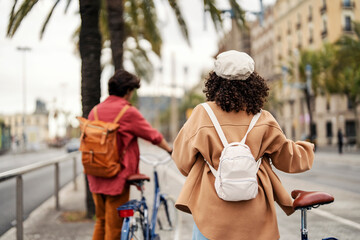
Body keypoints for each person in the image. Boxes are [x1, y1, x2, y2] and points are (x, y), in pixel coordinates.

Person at [172, 50, 315, 240]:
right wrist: (308, 148)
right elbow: (289, 160)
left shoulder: (202, 114)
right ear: (254, 82)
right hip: (255, 211)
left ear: (215, 81)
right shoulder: (263, 118)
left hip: (211, 213)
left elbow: (182, 161)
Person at [87, 69, 172, 240]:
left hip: (95, 173)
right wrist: (170, 150)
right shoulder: (127, 112)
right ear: (127, 91)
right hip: (116, 176)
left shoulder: (94, 111)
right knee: (115, 227)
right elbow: (153, 135)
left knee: (101, 221)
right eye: (132, 91)